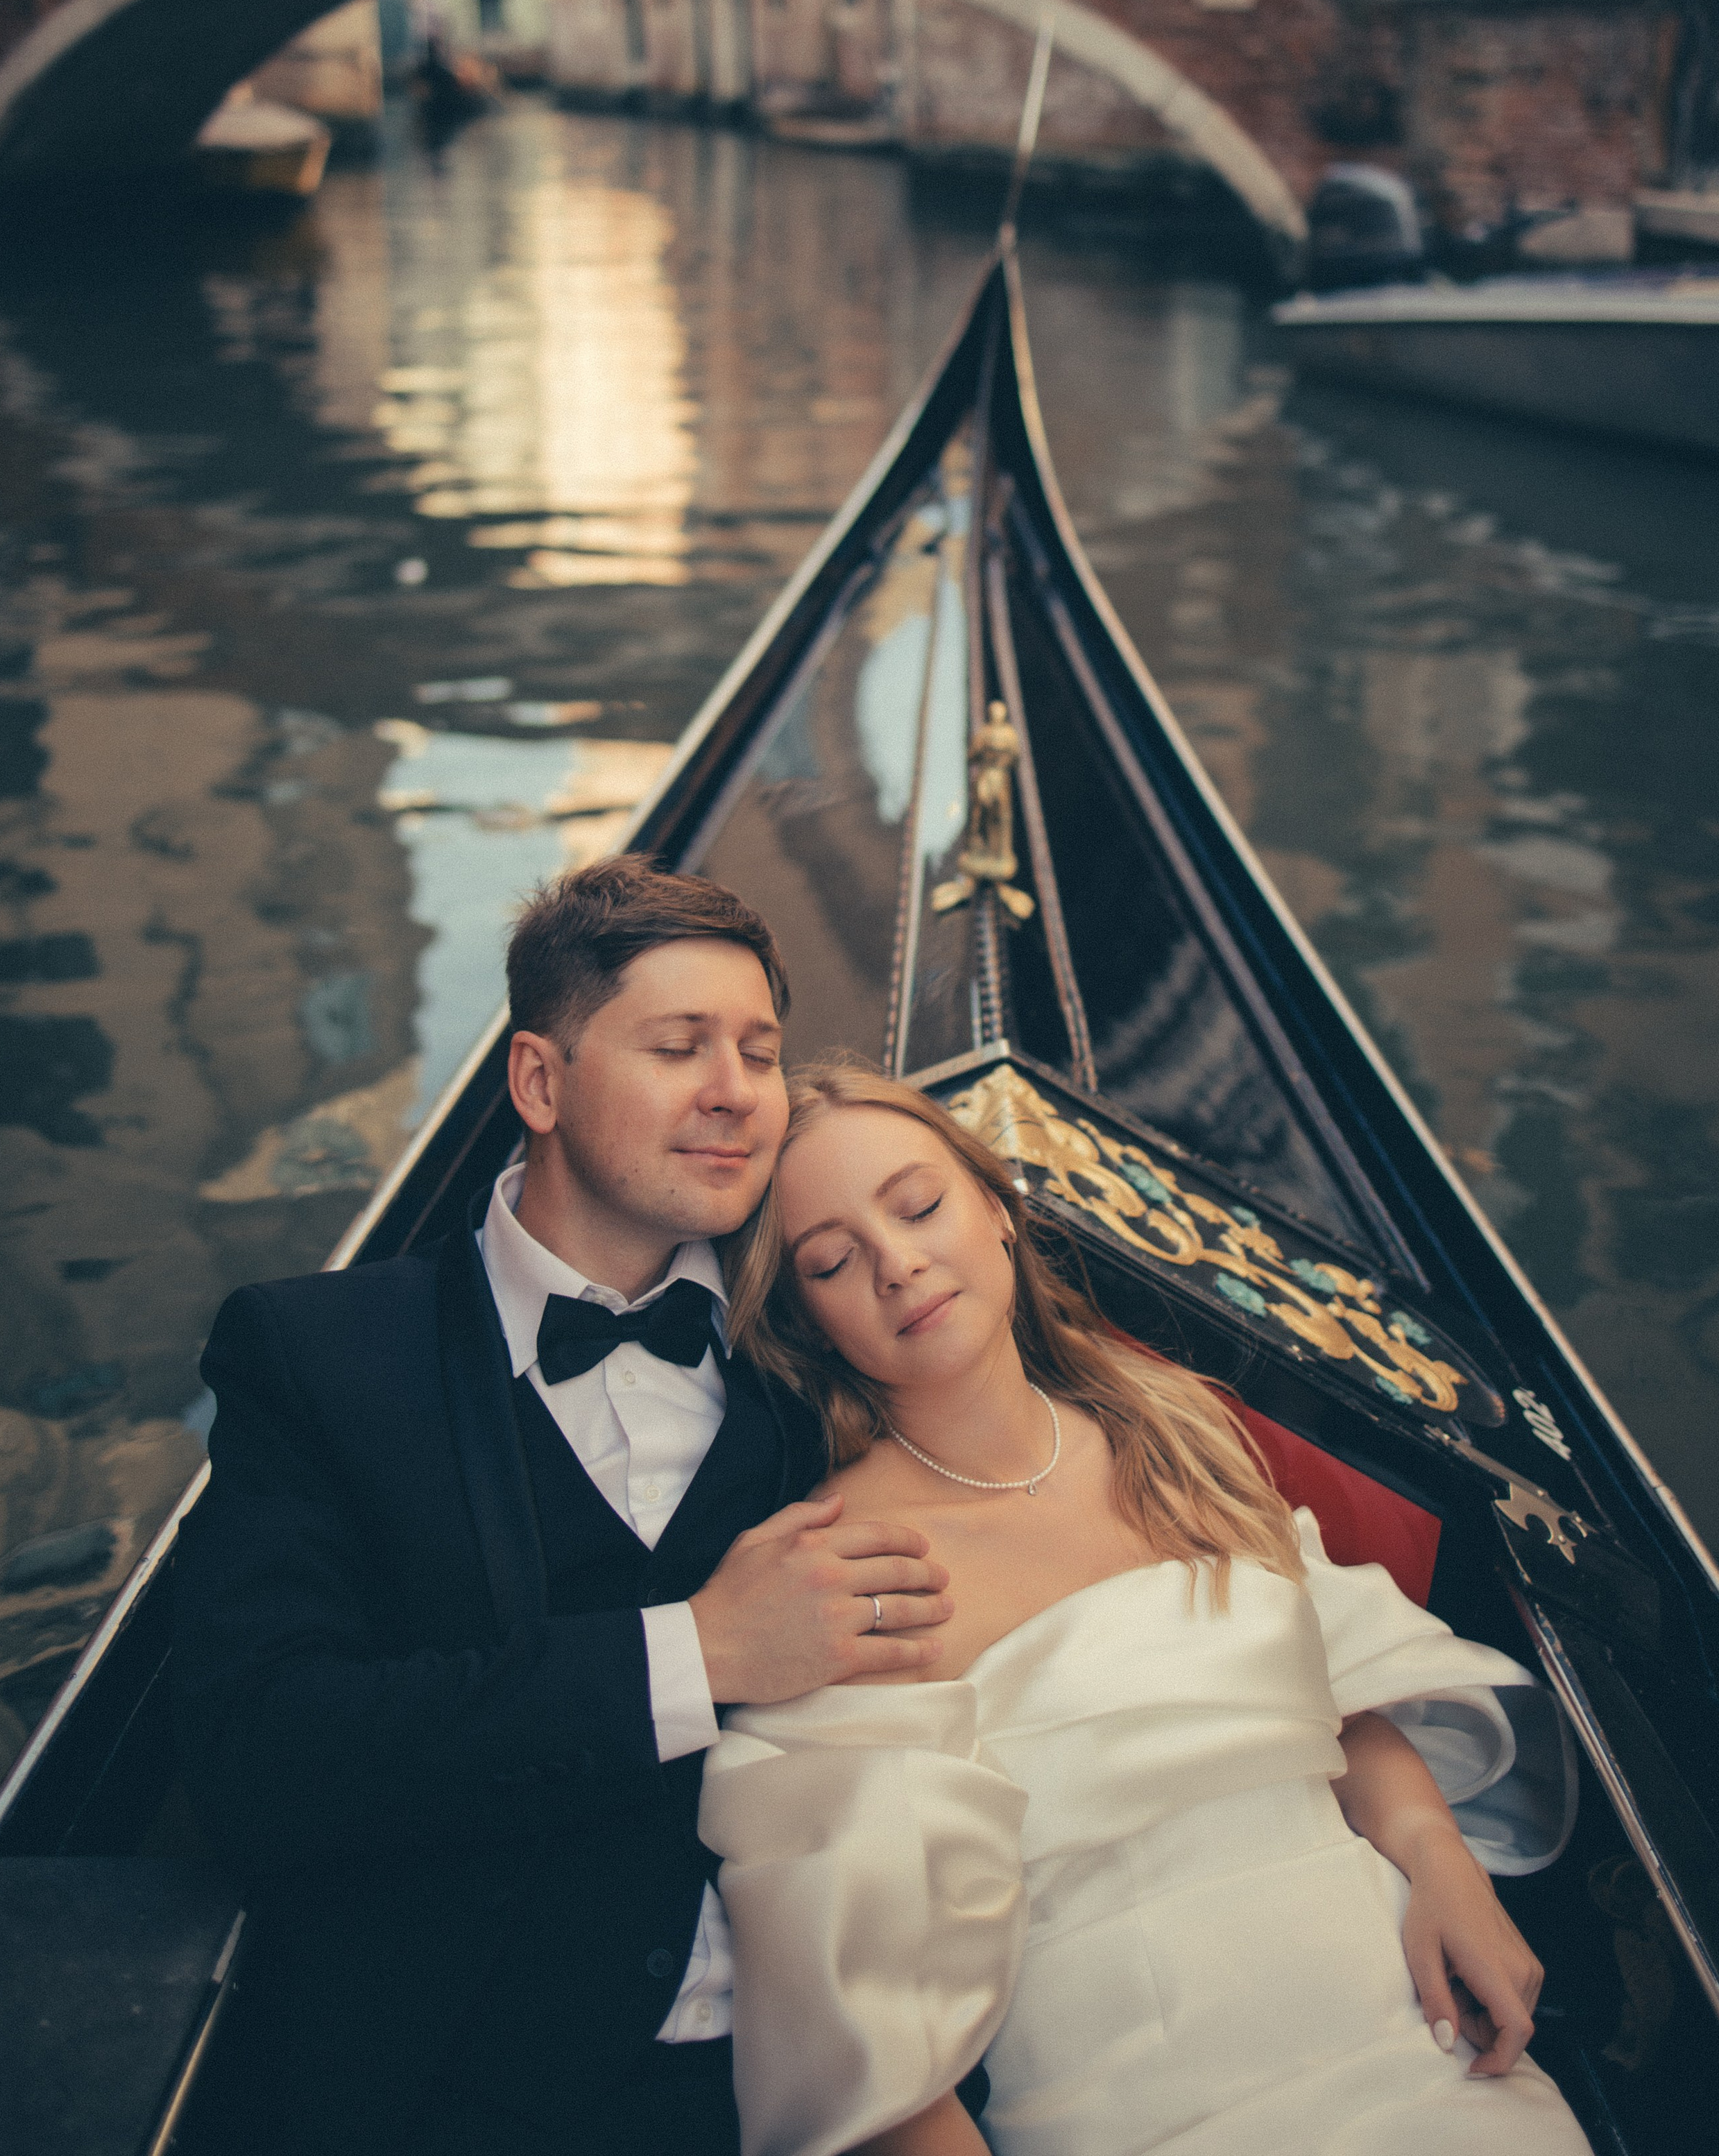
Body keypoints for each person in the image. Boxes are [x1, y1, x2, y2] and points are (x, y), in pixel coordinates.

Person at [170, 862, 957, 2156]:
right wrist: (696, 1654)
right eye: (679, 1046)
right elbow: (261, 1758)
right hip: (444, 2103)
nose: (736, 1090)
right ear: (539, 1082)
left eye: (761, 1052)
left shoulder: (827, 1331)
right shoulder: (316, 1356)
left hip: (808, 2091)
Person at [703, 1059, 1593, 2156]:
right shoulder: (846, 1570)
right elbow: (873, 2060)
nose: (898, 1263)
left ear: (997, 1209)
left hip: (1422, 2036)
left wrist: (1440, 1857)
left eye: (920, 1204)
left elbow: (1334, 1703)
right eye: (833, 1261)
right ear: (807, 1320)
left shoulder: (1171, 1431)